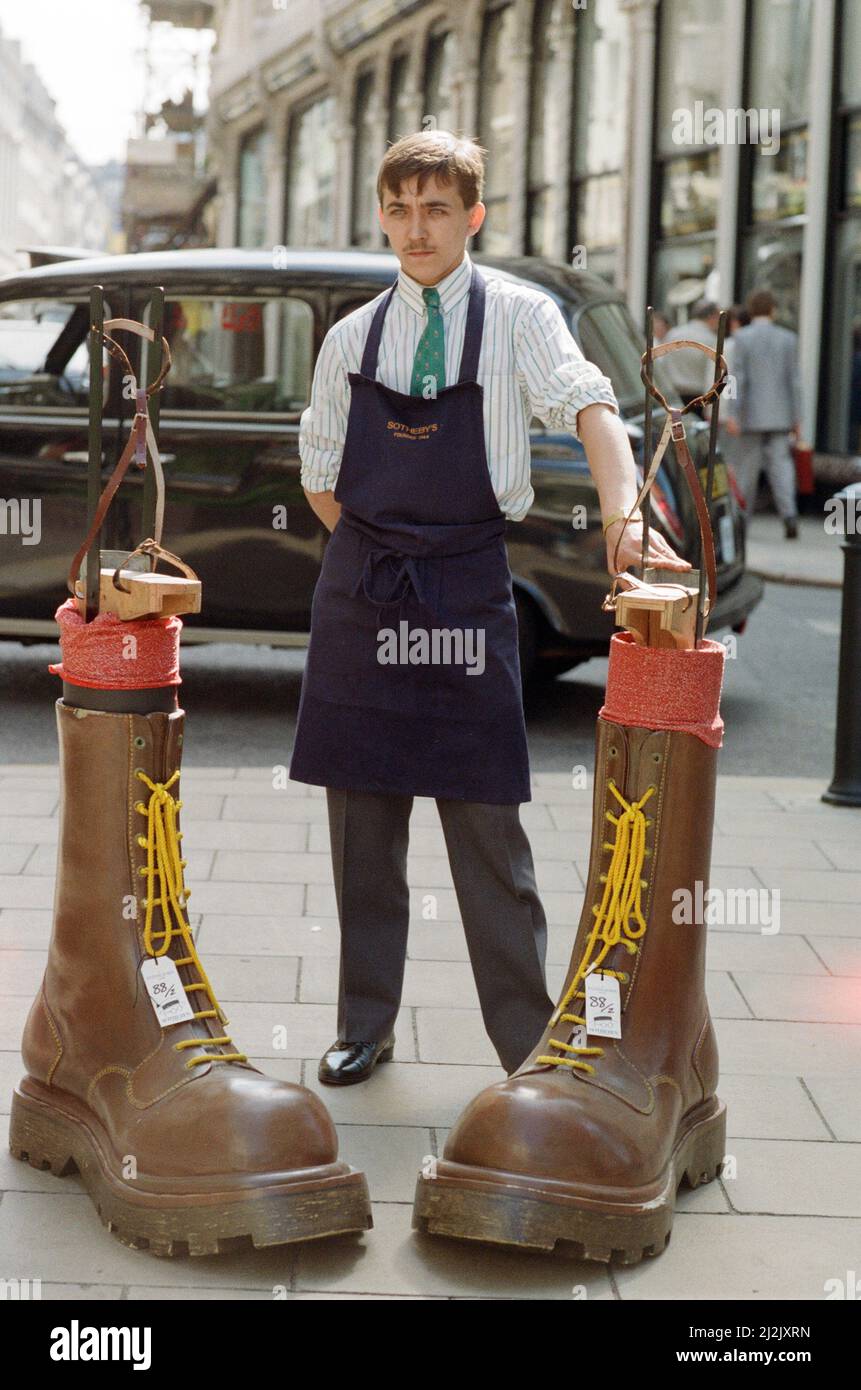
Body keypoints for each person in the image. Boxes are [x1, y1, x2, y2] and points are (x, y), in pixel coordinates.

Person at [289, 130, 693, 1085]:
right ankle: (363, 1024)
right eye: (399, 209)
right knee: (363, 829)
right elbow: (318, 479)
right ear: (381, 216)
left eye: (436, 209)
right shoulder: (351, 336)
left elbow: (589, 404)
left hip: (469, 589)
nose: (415, 228)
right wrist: (388, 548)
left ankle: (528, 1043)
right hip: (364, 595)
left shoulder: (519, 315)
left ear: (472, 216)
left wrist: (623, 514)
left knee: (487, 828)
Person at [723, 288, 801, 539]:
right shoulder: (788, 338)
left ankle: (742, 522)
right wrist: (797, 417)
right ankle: (789, 515)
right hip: (780, 415)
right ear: (773, 310)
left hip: (749, 416)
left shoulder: (741, 338)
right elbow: (794, 381)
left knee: (747, 470)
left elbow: (736, 378)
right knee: (782, 467)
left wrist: (732, 412)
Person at [661, 299, 721, 413]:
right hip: (698, 397)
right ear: (712, 316)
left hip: (673, 396)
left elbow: (662, 363)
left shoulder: (673, 334)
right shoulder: (712, 339)